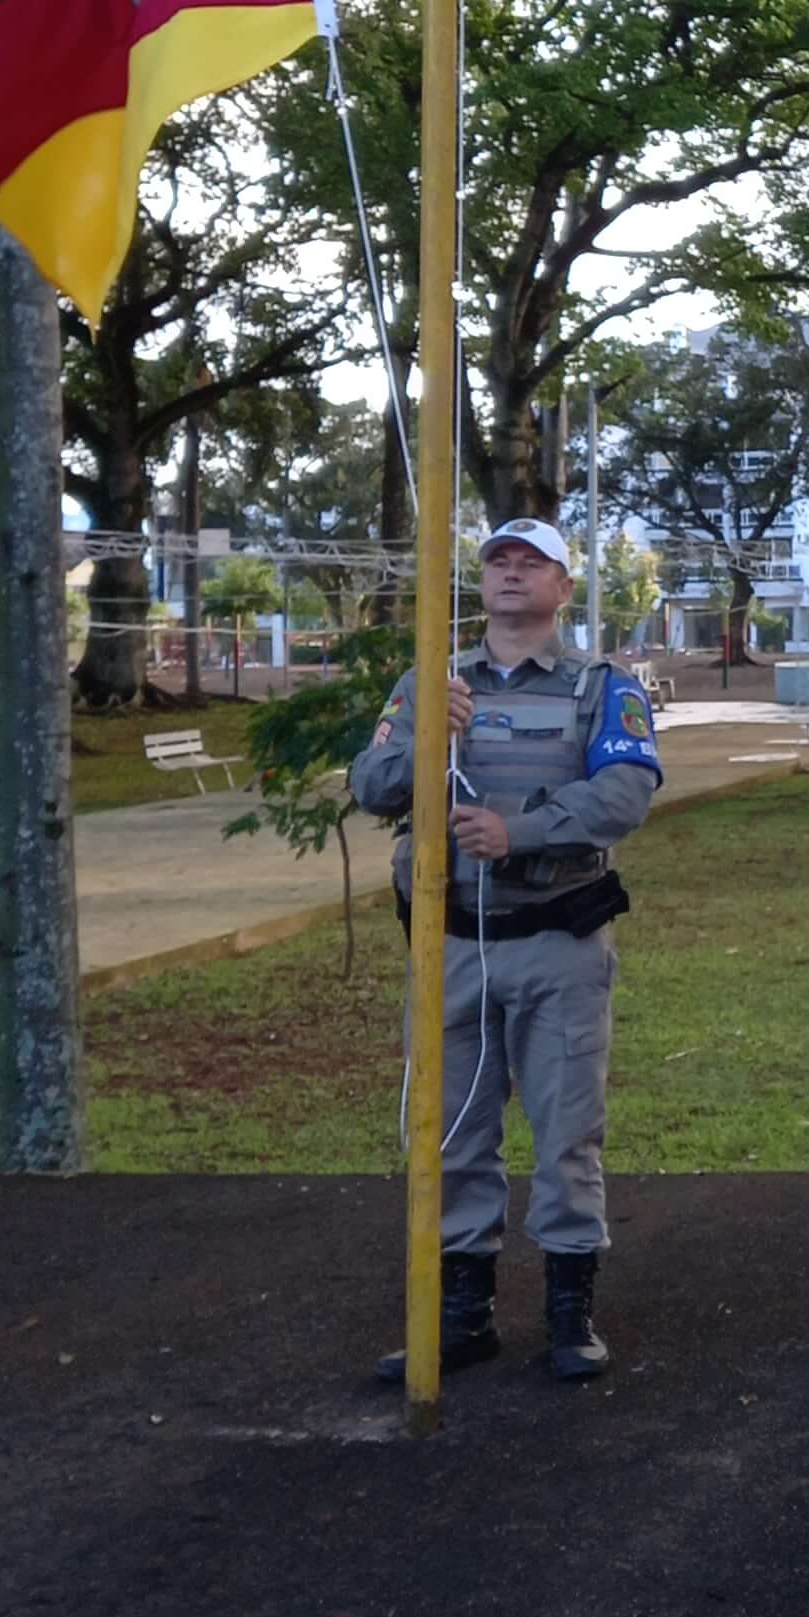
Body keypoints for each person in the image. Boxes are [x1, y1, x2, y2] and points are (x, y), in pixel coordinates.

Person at [348, 516, 663, 1385]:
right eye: (499, 562)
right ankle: (460, 1316)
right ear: (480, 584)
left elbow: (627, 792)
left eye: (535, 563)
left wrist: (516, 833)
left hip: (557, 938)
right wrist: (426, 739)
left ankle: (570, 1314)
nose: (514, 574)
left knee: (566, 1134)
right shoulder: (430, 682)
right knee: (449, 1134)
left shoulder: (602, 688)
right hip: (451, 947)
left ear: (564, 588)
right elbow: (368, 786)